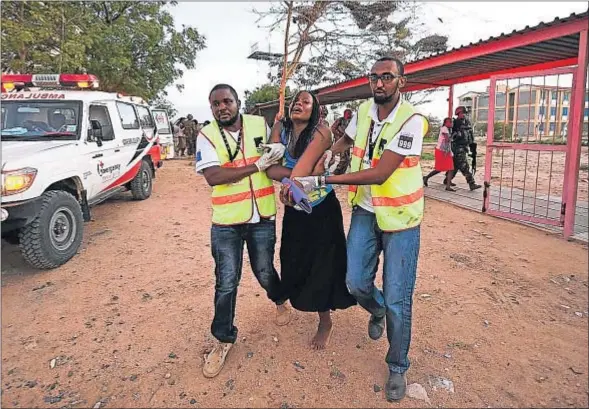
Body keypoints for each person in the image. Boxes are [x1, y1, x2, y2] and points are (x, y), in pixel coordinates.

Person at [290, 57, 427, 402]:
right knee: (355, 282)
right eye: (374, 77)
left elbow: (381, 173)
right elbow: (345, 142)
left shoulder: (412, 121)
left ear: (401, 82)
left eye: (387, 77)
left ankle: (397, 365)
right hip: (366, 211)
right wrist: (327, 154)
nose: (379, 83)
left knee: (399, 299)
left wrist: (324, 177)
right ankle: (375, 307)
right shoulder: (364, 111)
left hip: (400, 220)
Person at [195, 84, 291, 379]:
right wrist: (256, 166)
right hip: (227, 222)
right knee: (226, 282)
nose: (222, 107)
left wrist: (280, 149)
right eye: (215, 104)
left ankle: (279, 299)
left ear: (238, 102)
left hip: (262, 215)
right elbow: (213, 176)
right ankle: (223, 339)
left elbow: (277, 155)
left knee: (264, 271)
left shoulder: (257, 124)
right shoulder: (206, 135)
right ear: (211, 108)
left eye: (227, 101)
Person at [265, 91, 356, 350]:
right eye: (296, 100)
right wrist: (275, 126)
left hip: (320, 208)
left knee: (323, 266)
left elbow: (299, 171)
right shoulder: (283, 131)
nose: (299, 104)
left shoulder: (322, 132)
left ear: (315, 110)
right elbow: (270, 164)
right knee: (294, 260)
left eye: (306, 102)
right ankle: (295, 301)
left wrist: (293, 178)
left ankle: (325, 321)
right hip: (295, 206)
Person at [450, 107, 481, 190]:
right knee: (464, 166)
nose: (464, 114)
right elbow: (451, 136)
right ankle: (472, 183)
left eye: (465, 113)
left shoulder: (467, 122)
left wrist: (472, 146)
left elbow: (470, 135)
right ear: (458, 113)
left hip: (464, 147)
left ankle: (447, 180)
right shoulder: (455, 123)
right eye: (462, 113)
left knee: (455, 165)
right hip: (457, 148)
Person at [422, 117, 455, 191]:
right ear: (446, 123)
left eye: (451, 122)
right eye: (450, 122)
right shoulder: (444, 128)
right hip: (442, 151)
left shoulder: (448, 129)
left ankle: (447, 185)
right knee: (443, 168)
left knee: (448, 168)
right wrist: (454, 135)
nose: (451, 123)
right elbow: (447, 140)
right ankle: (447, 186)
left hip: (445, 151)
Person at [330, 109, 354, 175]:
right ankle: (338, 172)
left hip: (347, 141)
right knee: (344, 157)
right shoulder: (340, 120)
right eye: (348, 113)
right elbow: (333, 128)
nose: (350, 115)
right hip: (341, 141)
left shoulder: (351, 121)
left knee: (346, 157)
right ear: (345, 113)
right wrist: (339, 135)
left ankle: (341, 172)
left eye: (350, 113)